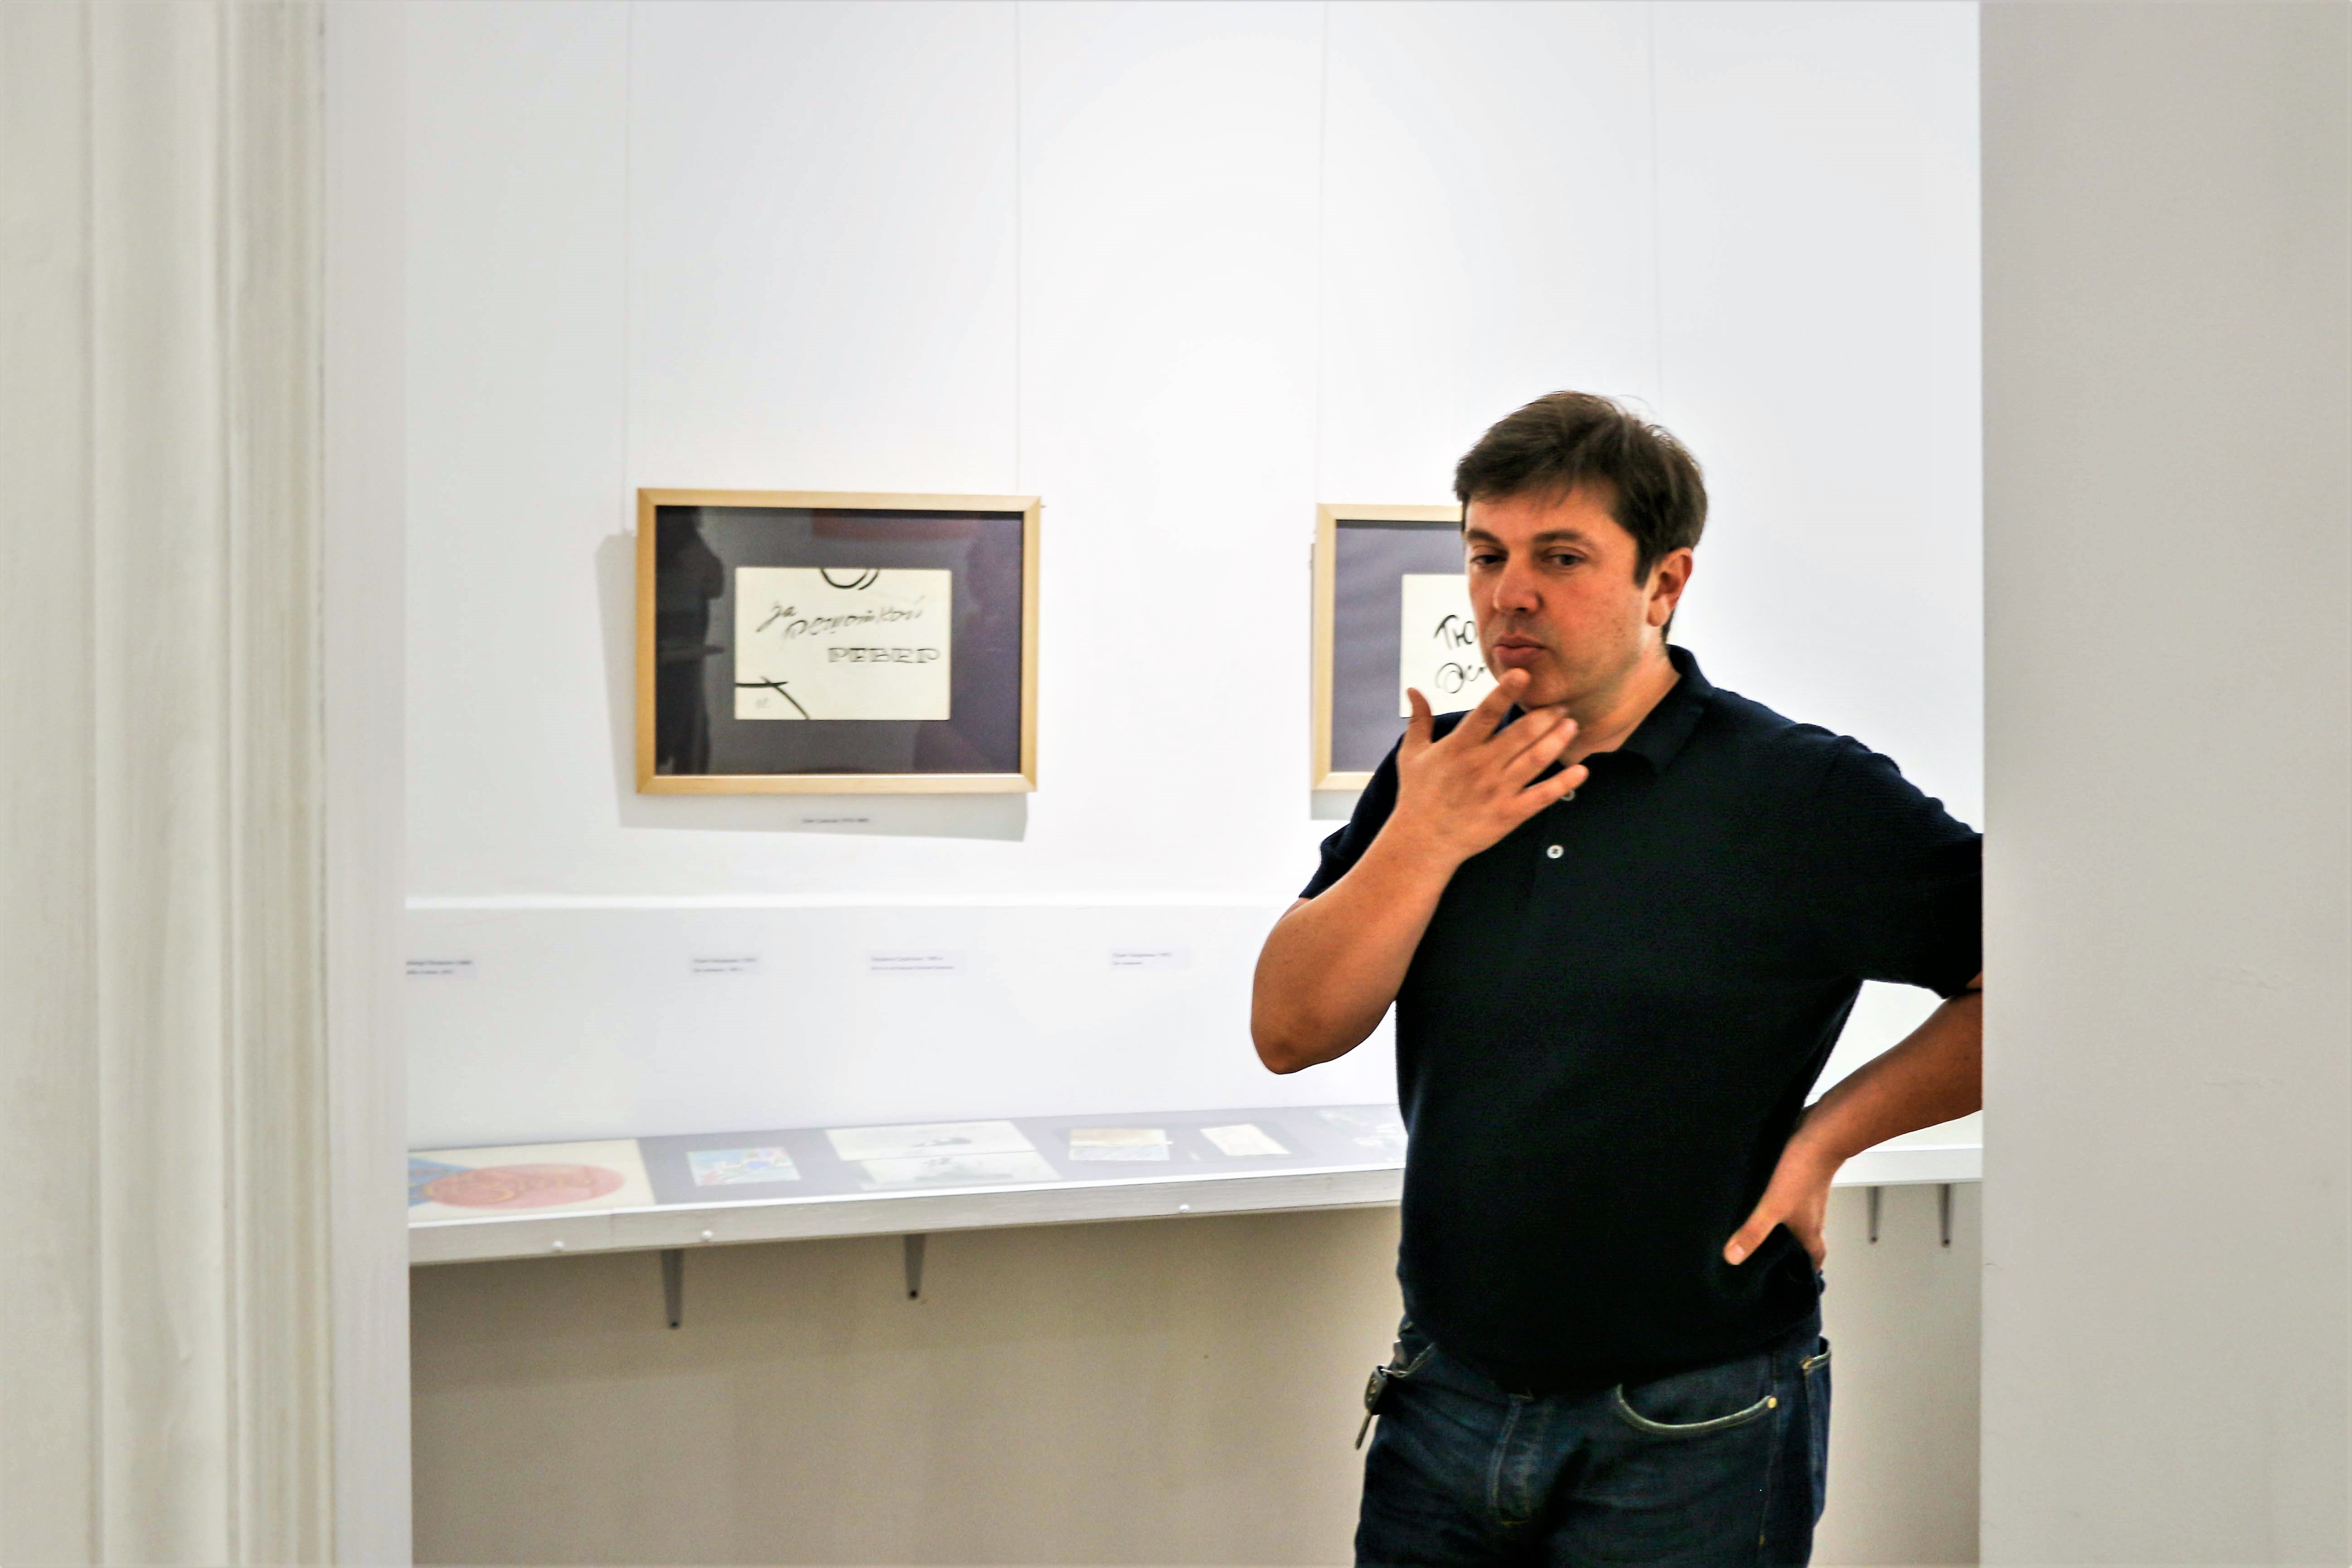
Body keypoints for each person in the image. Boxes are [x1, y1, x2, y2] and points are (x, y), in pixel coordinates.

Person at [1252, 391, 1982, 1566]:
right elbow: (1289, 1030)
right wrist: (1426, 834)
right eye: (1486, 554)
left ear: (1664, 582)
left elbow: (2045, 979)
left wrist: (1828, 1137)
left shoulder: (1795, 793)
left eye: (1560, 557)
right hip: (1445, 1390)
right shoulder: (1439, 773)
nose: (1510, 593)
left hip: (1693, 1418)